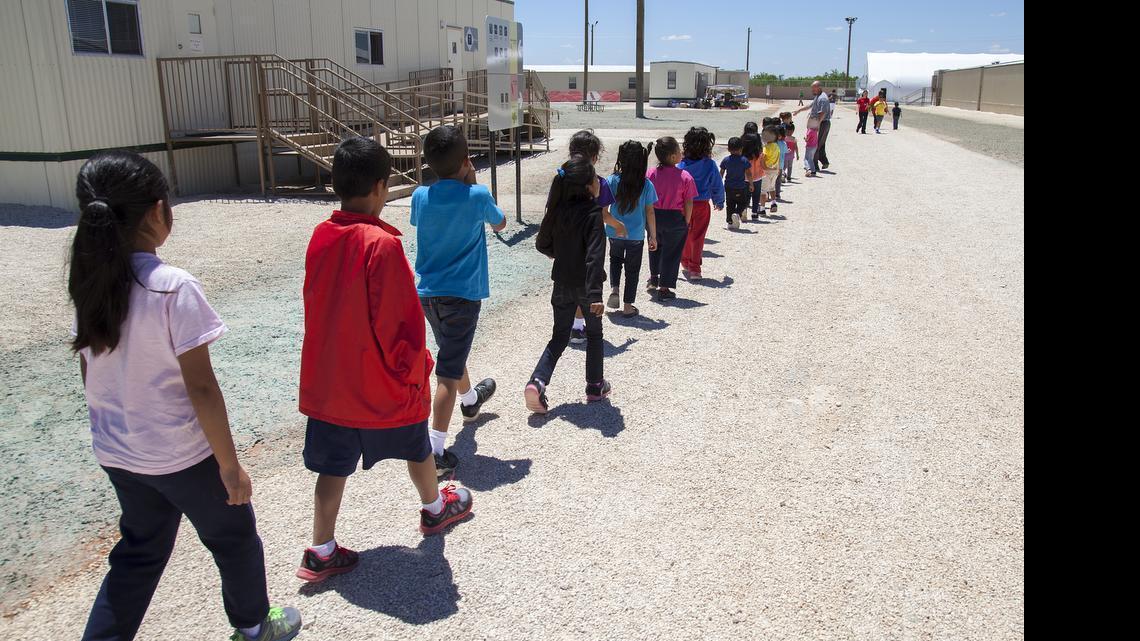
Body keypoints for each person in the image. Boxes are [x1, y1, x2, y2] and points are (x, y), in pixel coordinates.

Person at [69, 151, 303, 641]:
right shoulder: (171, 288)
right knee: (233, 537)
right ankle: (255, 626)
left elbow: (90, 368)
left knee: (137, 554)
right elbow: (200, 386)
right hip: (181, 455)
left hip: (120, 453)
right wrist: (229, 464)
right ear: (158, 212)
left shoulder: (90, 283)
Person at [297, 137, 474, 585]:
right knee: (416, 444)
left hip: (332, 384)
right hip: (380, 382)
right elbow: (401, 326)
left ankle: (320, 550)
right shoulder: (382, 245)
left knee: (331, 467)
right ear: (382, 186)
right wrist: (417, 373)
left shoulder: (321, 236)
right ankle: (435, 510)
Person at [410, 125, 505, 479]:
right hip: (462, 295)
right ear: (467, 161)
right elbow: (500, 223)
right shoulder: (478, 195)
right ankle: (434, 451)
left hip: (428, 293)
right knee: (447, 373)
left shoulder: (420, 196)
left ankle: (470, 402)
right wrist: (472, 184)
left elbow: (420, 220)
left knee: (451, 349)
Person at [524, 155, 609, 414]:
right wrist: (595, 295)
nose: (598, 183)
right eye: (595, 179)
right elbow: (594, 257)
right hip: (586, 288)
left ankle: (537, 382)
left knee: (559, 336)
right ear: (587, 186)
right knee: (594, 335)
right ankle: (595, 386)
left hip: (561, 284)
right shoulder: (593, 214)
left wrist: (559, 253)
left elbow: (542, 244)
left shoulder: (557, 210)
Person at [566, 130, 626, 345]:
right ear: (594, 158)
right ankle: (578, 327)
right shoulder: (598, 182)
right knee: (589, 281)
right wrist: (618, 225)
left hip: (567, 240)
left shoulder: (561, 178)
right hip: (591, 242)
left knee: (569, 281)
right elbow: (603, 213)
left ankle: (570, 323)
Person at [606, 141, 659, 317]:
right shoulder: (646, 184)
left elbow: (603, 209)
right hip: (636, 235)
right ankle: (628, 306)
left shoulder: (612, 180)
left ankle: (615, 289)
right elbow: (650, 212)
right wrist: (653, 235)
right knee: (633, 270)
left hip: (614, 232)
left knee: (615, 261)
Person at [646, 137, 696, 299]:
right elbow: (689, 202)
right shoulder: (685, 176)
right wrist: (686, 221)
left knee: (654, 246)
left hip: (654, 216)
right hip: (675, 218)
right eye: (679, 151)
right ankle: (665, 287)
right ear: (673, 157)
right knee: (672, 253)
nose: (681, 153)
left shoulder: (651, 174)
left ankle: (654, 277)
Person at [677, 126, 725, 281]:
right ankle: (695, 268)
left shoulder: (681, 164)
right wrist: (719, 200)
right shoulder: (710, 164)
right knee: (698, 236)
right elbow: (717, 184)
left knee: (684, 233)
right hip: (702, 205)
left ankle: (684, 261)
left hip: (683, 205)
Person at [720, 136, 753, 229]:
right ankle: (737, 214)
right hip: (740, 186)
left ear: (728, 149)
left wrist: (718, 185)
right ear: (741, 149)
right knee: (744, 202)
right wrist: (751, 184)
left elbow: (721, 173)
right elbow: (749, 174)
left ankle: (730, 222)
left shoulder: (726, 160)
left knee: (730, 204)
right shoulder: (744, 160)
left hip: (728, 186)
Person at [808, 81, 833, 172]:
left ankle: (814, 165)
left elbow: (823, 113)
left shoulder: (822, 98)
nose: (812, 89)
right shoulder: (818, 96)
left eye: (813, 88)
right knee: (820, 143)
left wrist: (817, 124)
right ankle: (824, 161)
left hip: (822, 123)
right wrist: (799, 110)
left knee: (815, 144)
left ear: (818, 87)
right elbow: (810, 106)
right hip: (821, 122)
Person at [741, 122, 763, 217]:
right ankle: (754, 212)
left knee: (745, 196)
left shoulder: (742, 154)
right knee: (756, 195)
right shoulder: (760, 153)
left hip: (744, 177)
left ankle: (744, 210)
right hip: (757, 176)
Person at [759, 125, 781, 215]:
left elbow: (763, 158)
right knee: (772, 187)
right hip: (775, 170)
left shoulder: (766, 147)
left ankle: (762, 209)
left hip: (766, 171)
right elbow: (778, 157)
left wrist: (763, 167)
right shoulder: (777, 146)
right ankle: (773, 203)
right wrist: (778, 168)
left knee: (763, 191)